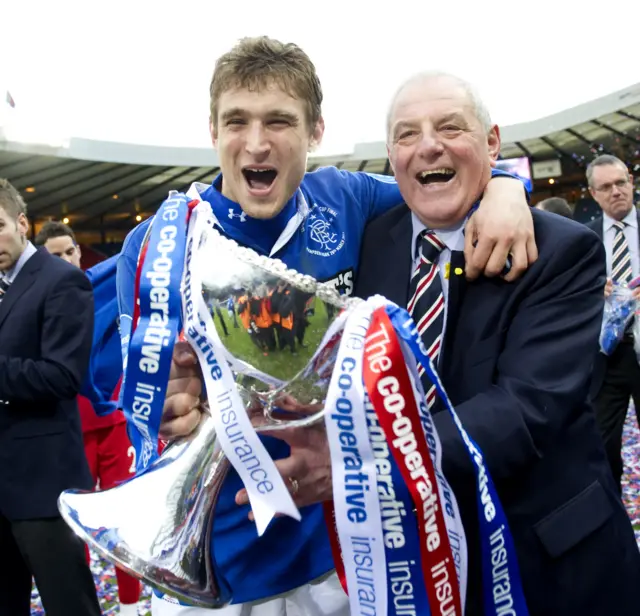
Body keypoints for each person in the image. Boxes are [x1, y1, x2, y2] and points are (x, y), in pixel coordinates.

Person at [123, 37, 537, 615]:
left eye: (280, 121)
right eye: (236, 121)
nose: (257, 143)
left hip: (345, 551)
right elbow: (132, 394)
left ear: (316, 131)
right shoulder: (157, 248)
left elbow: (441, 186)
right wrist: (163, 405)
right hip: (221, 559)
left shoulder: (349, 199)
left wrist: (506, 188)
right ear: (212, 131)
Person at [351, 72, 640, 614]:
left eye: (450, 126)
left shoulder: (560, 250)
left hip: (552, 566)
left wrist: (363, 461)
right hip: (418, 562)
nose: (428, 145)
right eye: (407, 134)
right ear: (390, 155)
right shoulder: (369, 243)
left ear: (491, 142)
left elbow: (526, 410)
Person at [0, 180, 101, 616]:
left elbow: (62, 376)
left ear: (21, 222)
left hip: (41, 483)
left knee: (69, 605)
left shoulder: (62, 281)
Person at [34, 220, 142, 616]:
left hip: (113, 426)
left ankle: (130, 608)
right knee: (71, 530)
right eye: (54, 255)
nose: (64, 260)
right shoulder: (33, 300)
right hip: (68, 430)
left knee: (120, 521)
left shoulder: (108, 285)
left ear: (80, 253)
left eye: (69, 252)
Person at [585, 154, 640, 490]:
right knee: (603, 448)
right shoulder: (583, 239)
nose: (615, 191)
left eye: (620, 183)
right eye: (606, 187)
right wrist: (593, 291)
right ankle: (613, 521)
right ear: (593, 194)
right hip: (607, 358)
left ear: (631, 182)